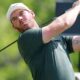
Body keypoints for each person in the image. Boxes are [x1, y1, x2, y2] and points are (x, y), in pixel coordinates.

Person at [6, 1, 80, 80]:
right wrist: (77, 7)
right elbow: (65, 22)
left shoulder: (55, 35)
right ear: (14, 26)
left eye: (21, 13)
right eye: (14, 19)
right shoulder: (25, 38)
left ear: (32, 13)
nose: (19, 18)